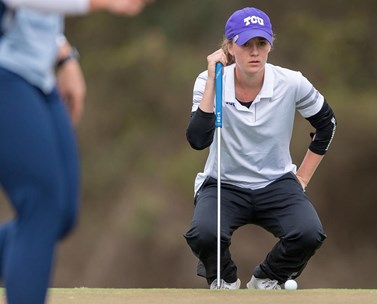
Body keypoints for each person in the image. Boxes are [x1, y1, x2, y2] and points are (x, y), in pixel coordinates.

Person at [0, 0, 151, 303]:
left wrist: (63, 55)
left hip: (37, 75)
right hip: (7, 72)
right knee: (41, 205)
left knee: (62, 213)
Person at [184, 7, 337, 290]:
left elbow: (327, 124)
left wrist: (301, 178)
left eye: (261, 44)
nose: (254, 52)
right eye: (245, 44)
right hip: (223, 183)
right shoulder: (209, 82)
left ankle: (267, 278)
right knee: (204, 234)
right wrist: (211, 83)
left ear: (270, 46)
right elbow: (197, 140)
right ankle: (225, 279)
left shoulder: (292, 83)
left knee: (308, 233)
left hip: (277, 182)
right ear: (230, 47)